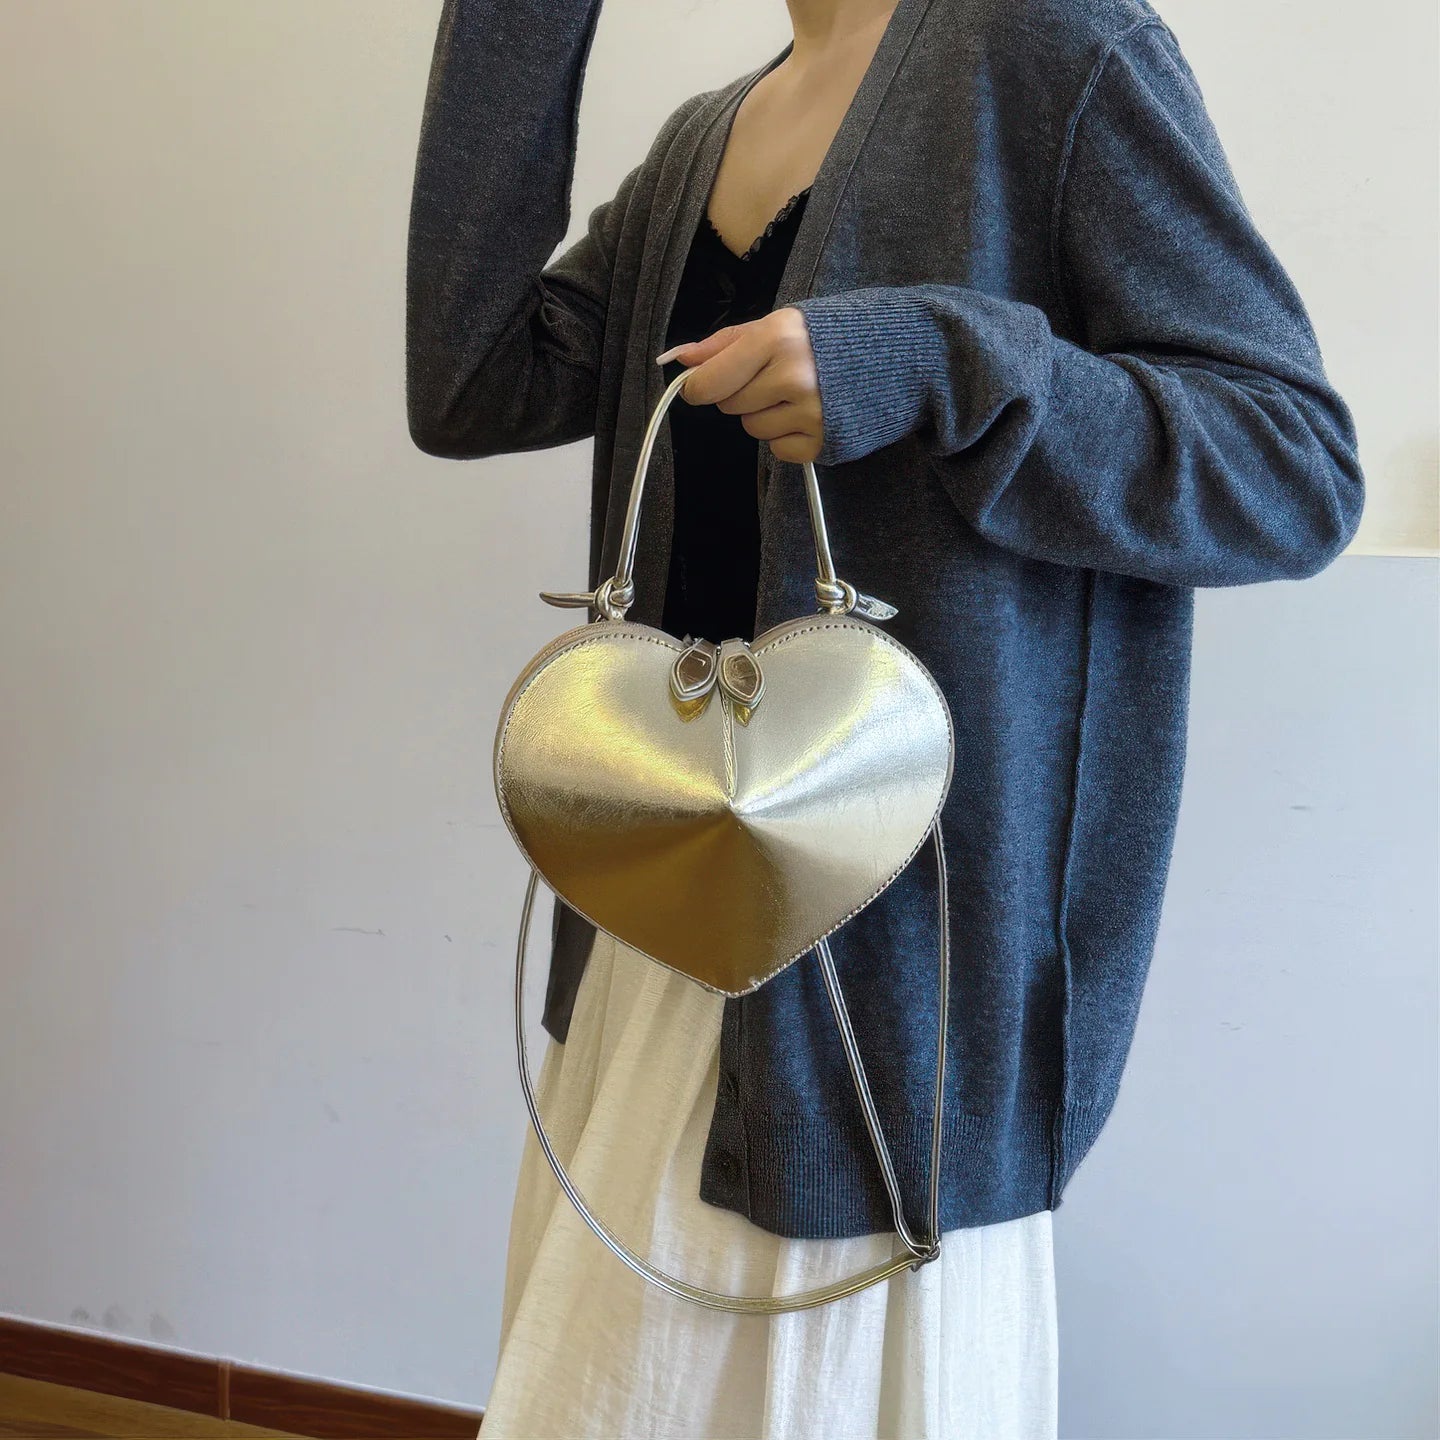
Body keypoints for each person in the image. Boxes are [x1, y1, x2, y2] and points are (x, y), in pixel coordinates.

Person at [405, 0, 1364, 1435]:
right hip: (660, 922)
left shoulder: (1057, 47)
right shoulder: (703, 141)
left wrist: (937, 361)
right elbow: (470, 384)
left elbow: (1290, 468)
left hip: (896, 970)